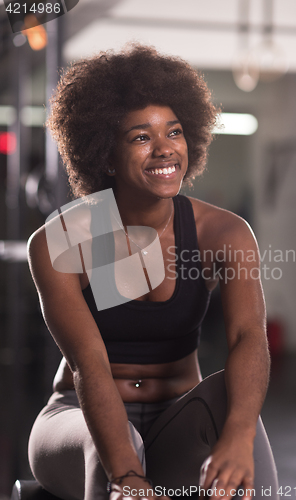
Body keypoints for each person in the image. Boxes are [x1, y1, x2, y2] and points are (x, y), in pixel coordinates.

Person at [27, 44, 279, 500]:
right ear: (105, 153)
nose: (165, 148)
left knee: (242, 425)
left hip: (174, 416)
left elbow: (248, 337)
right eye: (141, 136)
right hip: (77, 418)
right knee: (104, 457)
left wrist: (237, 436)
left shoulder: (222, 232)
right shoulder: (62, 240)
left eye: (175, 132)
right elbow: (90, 364)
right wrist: (127, 475)